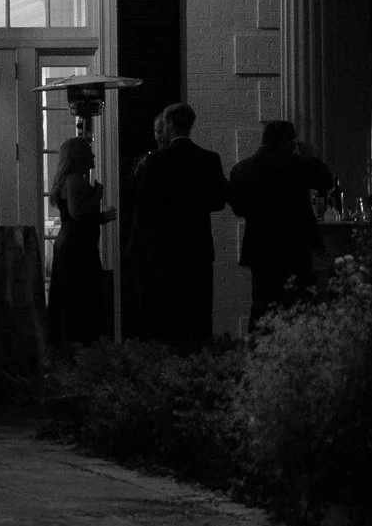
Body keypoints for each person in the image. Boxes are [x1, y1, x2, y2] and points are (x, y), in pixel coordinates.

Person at [125, 102, 232, 346]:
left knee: (165, 315)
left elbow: (141, 199)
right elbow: (217, 202)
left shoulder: (154, 161)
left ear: (170, 125)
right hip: (197, 247)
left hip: (162, 248)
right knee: (197, 315)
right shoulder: (209, 159)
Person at [229, 120, 337, 325]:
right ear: (288, 142)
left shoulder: (241, 169)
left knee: (262, 305)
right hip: (296, 246)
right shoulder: (297, 165)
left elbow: (239, 208)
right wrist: (310, 156)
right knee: (298, 305)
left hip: (260, 249)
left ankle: (259, 349)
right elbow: (325, 182)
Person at [46, 134, 116, 348]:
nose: (93, 155)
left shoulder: (70, 180)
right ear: (78, 157)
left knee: (71, 299)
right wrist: (98, 196)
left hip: (71, 245)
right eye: (88, 151)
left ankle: (71, 347)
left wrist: (102, 217)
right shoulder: (75, 180)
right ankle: (79, 348)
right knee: (80, 299)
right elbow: (78, 214)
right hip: (77, 249)